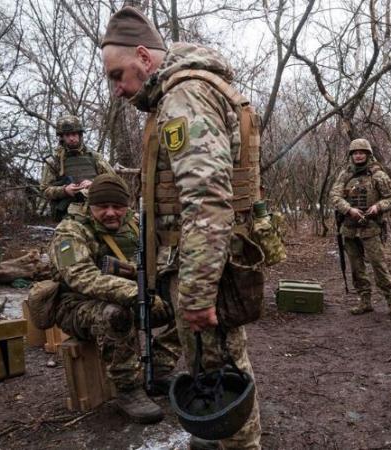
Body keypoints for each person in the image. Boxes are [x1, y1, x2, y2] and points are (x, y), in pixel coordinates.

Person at [101, 7, 263, 449]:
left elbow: (208, 199)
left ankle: (238, 444)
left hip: (204, 263)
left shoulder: (184, 96)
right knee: (210, 365)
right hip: (197, 261)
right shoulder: (180, 93)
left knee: (224, 369)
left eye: (119, 75)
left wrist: (195, 294)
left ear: (144, 57)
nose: (117, 89)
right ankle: (218, 438)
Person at [49, 174, 178, 423]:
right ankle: (128, 388)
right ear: (90, 205)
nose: (111, 213)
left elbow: (160, 257)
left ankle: (159, 368)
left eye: (118, 207)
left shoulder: (134, 225)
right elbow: (80, 277)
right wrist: (136, 294)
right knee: (115, 314)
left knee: (187, 305)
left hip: (133, 298)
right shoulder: (69, 232)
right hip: (76, 306)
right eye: (102, 207)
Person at [329, 138, 391, 316]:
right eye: (355, 153)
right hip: (350, 227)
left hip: (371, 226)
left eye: (362, 152)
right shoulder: (345, 174)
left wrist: (378, 207)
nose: (359, 156)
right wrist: (349, 209)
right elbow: (334, 196)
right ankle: (365, 300)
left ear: (368, 154)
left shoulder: (378, 175)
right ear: (351, 156)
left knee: (378, 265)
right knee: (356, 267)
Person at [40, 115, 115, 221]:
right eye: (67, 135)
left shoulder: (95, 157)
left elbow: (114, 182)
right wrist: (64, 190)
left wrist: (94, 184)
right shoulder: (55, 161)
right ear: (62, 137)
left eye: (74, 134)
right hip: (68, 215)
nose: (71, 138)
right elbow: (44, 190)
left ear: (80, 135)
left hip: (97, 210)